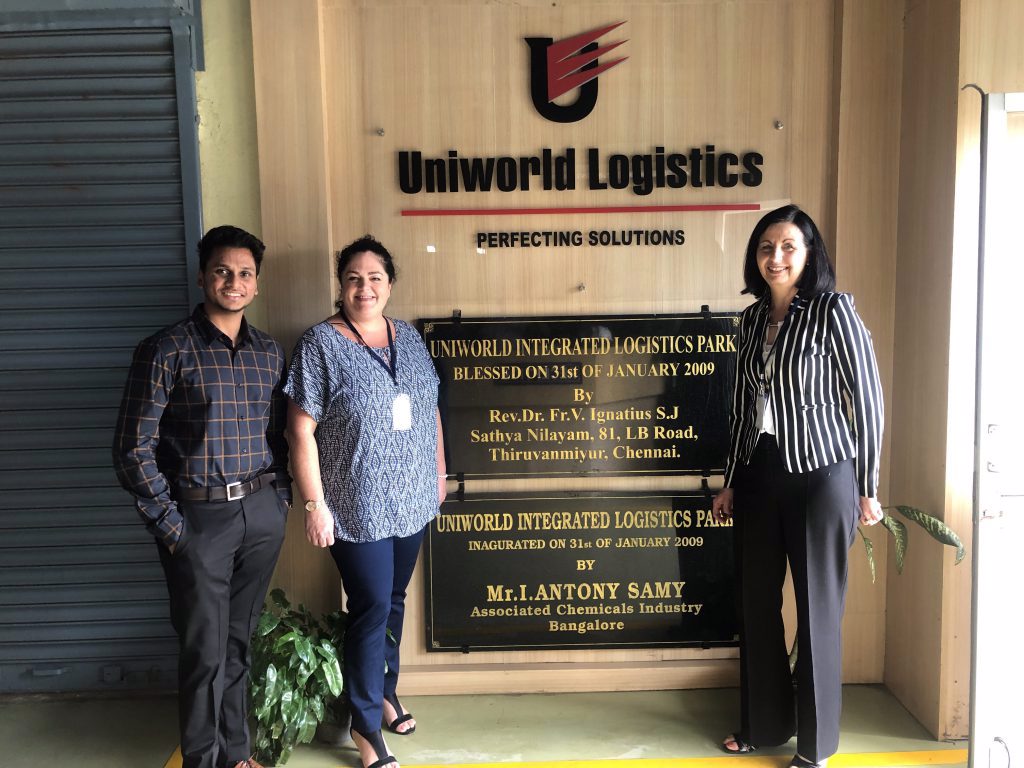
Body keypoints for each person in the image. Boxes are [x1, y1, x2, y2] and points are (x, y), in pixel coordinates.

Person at [711, 205, 884, 768]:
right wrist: (731, 481)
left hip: (821, 475)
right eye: (766, 247)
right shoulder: (750, 320)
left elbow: (868, 399)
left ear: (809, 254)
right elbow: (742, 409)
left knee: (816, 612)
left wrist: (868, 485)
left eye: (788, 246)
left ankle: (815, 747)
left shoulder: (833, 310)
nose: (776, 257)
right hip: (759, 475)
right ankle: (763, 726)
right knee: (755, 605)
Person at [113, 225, 290, 768]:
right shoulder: (166, 349)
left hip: (260, 513)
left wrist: (279, 500)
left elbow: (279, 436)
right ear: (202, 276)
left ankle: (237, 754)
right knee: (204, 652)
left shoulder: (268, 353)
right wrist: (173, 528)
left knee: (238, 643)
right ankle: (202, 760)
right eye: (222, 271)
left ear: (256, 283)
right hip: (198, 519)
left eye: (244, 273)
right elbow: (132, 448)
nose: (234, 282)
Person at [283, 235, 446, 768]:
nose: (364, 288)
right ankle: (364, 724)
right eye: (353, 278)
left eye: (375, 278)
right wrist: (314, 505)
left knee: (394, 599)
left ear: (390, 284)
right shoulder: (320, 344)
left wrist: (439, 472)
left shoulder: (410, 337)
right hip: (355, 503)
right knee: (372, 605)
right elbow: (299, 431)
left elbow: (431, 408)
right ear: (341, 285)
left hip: (412, 497)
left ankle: (385, 691)